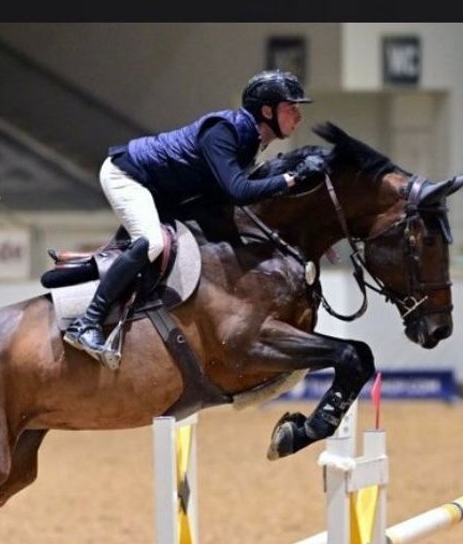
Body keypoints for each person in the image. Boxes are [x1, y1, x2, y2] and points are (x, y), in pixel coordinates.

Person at [63, 69, 327, 368]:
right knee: (151, 243)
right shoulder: (224, 131)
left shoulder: (251, 140)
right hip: (128, 175)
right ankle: (86, 323)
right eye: (291, 107)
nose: (298, 115)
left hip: (162, 191)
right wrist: (292, 179)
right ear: (267, 111)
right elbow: (238, 191)